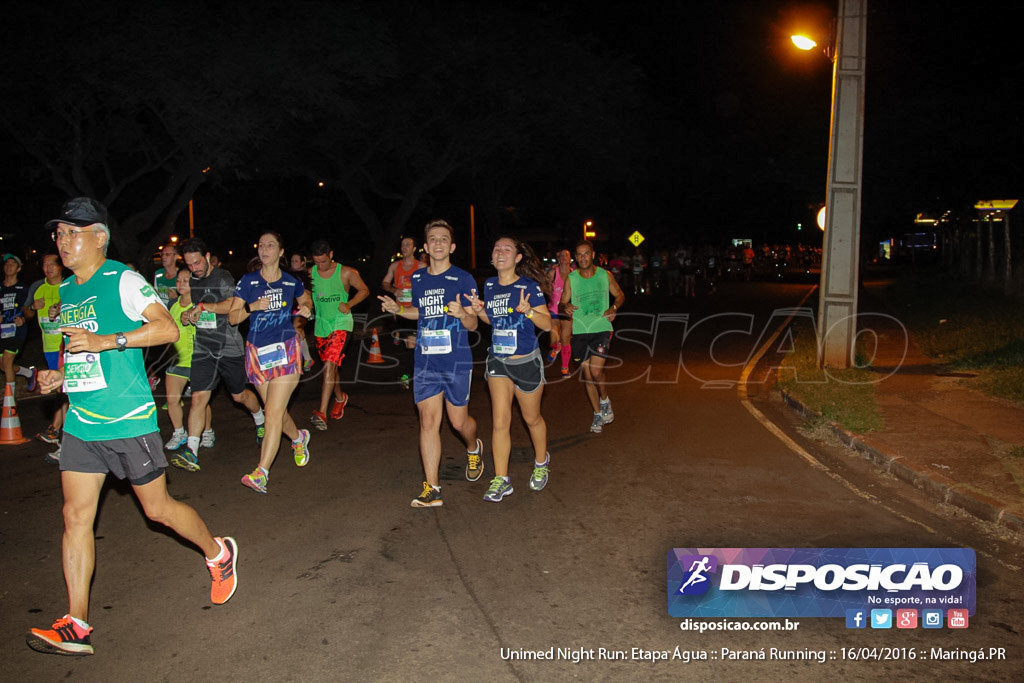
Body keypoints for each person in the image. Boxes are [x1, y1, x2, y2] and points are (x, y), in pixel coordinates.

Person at [27, 197, 237, 657]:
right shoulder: (66, 293)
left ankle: (219, 552)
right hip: (82, 421)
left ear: (98, 237)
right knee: (74, 517)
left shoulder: (122, 278)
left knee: (158, 510)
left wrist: (109, 340)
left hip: (127, 418)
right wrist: (59, 375)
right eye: (58, 234)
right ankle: (77, 623)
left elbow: (164, 329)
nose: (63, 242)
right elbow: (79, 352)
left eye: (72, 233)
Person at [378, 219, 481, 508]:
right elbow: (419, 313)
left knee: (459, 423)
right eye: (433, 239)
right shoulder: (419, 279)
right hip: (425, 362)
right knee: (428, 422)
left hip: (457, 360)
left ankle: (473, 447)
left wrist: (462, 313)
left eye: (444, 239)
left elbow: (473, 324)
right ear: (426, 247)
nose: (438, 243)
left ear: (452, 246)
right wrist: (398, 309)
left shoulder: (464, 279)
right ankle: (433, 488)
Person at [465, 237, 552, 502]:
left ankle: (541, 463)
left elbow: (548, 325)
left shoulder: (529, 287)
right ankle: (501, 479)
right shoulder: (489, 285)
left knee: (531, 418)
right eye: (496, 248)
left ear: (517, 258)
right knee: (500, 421)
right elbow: (491, 321)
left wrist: (528, 312)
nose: (499, 252)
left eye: (506, 249)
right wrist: (480, 310)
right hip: (499, 361)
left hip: (526, 362)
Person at [170, 238, 266, 472]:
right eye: (190, 264)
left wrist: (203, 307)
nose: (194, 268)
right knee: (198, 398)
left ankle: (261, 419)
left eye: (197, 262)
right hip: (203, 348)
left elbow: (233, 305)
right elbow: (196, 309)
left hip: (228, 347)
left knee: (239, 396)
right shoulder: (193, 279)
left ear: (207, 255)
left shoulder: (222, 277)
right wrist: (188, 316)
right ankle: (192, 450)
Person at [229, 231, 312, 494]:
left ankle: (261, 473)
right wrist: (252, 307)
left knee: (272, 414)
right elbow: (233, 318)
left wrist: (306, 310)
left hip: (286, 350)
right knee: (277, 412)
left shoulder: (291, 282)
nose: (264, 249)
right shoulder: (248, 282)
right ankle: (299, 438)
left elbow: (305, 299)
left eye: (270, 245)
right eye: (261, 245)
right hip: (257, 353)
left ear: (280, 252)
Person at [560, 240, 625, 434]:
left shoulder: (605, 275)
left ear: (593, 254)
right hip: (580, 331)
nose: (582, 257)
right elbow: (562, 302)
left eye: (586, 253)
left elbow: (620, 295)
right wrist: (566, 307)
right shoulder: (571, 278)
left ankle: (605, 400)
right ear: (575, 257)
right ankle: (597, 413)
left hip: (601, 327)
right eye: (579, 255)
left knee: (596, 372)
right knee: (587, 376)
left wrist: (614, 307)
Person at [308, 239, 369, 430]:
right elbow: (306, 296)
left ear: (331, 255)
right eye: (317, 262)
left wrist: (349, 304)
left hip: (341, 325)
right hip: (321, 327)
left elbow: (365, 290)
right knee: (330, 369)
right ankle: (340, 398)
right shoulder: (310, 274)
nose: (320, 266)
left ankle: (322, 413)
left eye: (323, 262)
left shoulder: (347, 272)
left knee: (328, 366)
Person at [164, 268, 213, 451]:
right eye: (178, 281)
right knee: (172, 400)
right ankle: (179, 432)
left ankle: (207, 431)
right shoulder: (171, 304)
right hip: (177, 360)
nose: (181, 284)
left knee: (200, 402)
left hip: (198, 360)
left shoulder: (202, 304)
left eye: (186, 280)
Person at [381, 236, 426, 350]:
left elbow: (430, 286)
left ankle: (419, 366)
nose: (404, 247)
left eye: (408, 244)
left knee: (412, 343)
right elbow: (385, 283)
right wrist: (394, 290)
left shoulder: (421, 266)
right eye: (402, 245)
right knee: (407, 342)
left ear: (414, 248)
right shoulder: (395, 266)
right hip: (400, 310)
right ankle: (416, 366)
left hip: (416, 310)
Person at [0, 253, 36, 393]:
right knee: (3, 366)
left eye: (12, 264)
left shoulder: (24, 289)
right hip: (2, 331)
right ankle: (29, 373)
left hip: (17, 330)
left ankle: (10, 402)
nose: (9, 266)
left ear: (19, 268)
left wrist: (24, 319)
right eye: (6, 263)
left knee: (8, 362)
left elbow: (30, 311)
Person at [546, 248, 574, 376]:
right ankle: (556, 347)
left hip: (567, 311)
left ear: (570, 258)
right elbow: (543, 286)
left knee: (565, 339)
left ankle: (564, 368)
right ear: (558, 258)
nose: (564, 257)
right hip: (553, 310)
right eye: (561, 255)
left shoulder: (575, 274)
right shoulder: (553, 273)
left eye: (566, 255)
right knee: (553, 340)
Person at [153, 243, 180, 308]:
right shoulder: (158, 273)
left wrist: (177, 299)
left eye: (167, 254)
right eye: (162, 254)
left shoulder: (182, 275)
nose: (163, 257)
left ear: (176, 256)